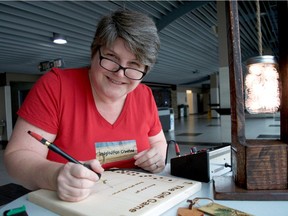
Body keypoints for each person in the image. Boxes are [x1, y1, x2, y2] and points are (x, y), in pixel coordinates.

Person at [4, 10, 167, 202]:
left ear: (145, 70)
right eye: (111, 58)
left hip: (135, 202)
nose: (120, 73)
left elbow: (159, 142)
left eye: (134, 64)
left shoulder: (144, 95)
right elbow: (16, 157)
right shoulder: (56, 86)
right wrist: (55, 176)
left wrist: (158, 157)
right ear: (94, 52)